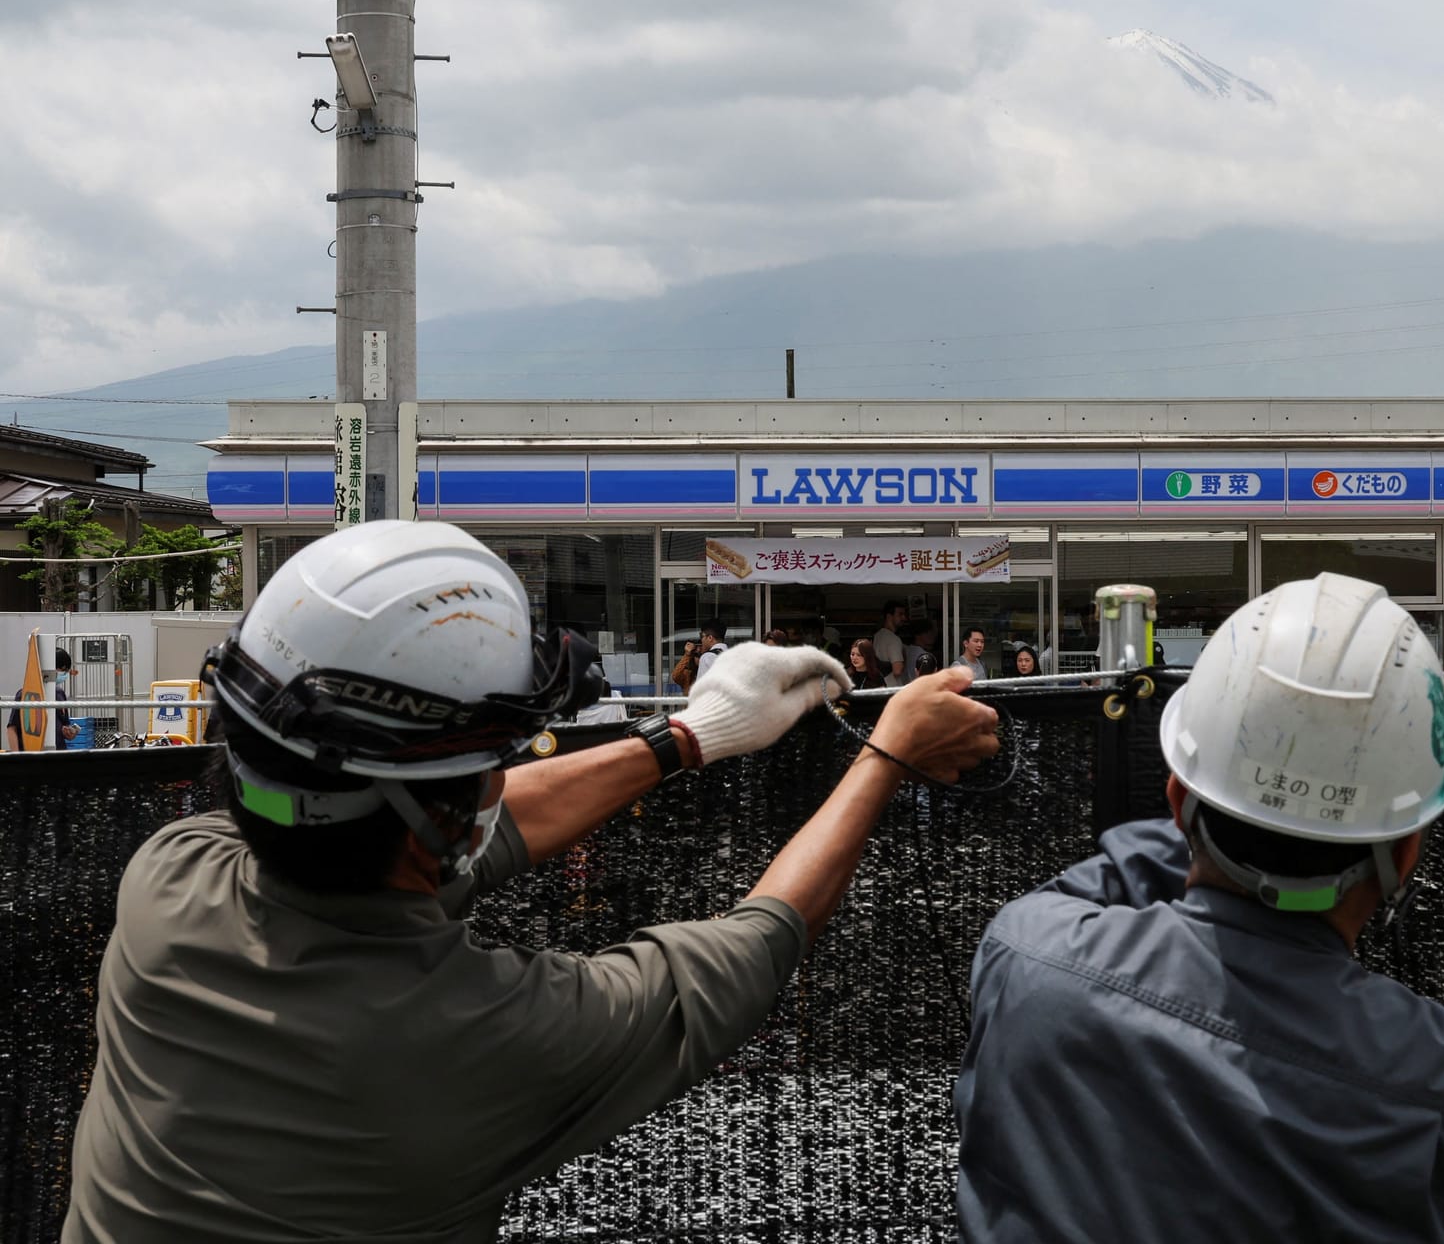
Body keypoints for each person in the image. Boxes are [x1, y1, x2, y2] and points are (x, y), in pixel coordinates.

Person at [63, 520, 1001, 1243]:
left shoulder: (171, 878)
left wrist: (693, 735)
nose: (500, 785)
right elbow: (756, 941)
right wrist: (888, 754)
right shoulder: (476, 1038)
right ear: (439, 815)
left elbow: (457, 823)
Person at [954, 573, 1444, 1240]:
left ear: (1178, 799)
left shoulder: (1026, 958)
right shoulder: (1435, 1083)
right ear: (1408, 854)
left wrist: (1235, 787)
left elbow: (1116, 870)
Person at [6, 645, 76, 752]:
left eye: (66, 671)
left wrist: (68, 733)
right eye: (62, 670)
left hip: (58, 753)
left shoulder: (59, 694)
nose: (64, 674)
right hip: (32, 753)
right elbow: (12, 728)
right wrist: (17, 757)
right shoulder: (26, 694)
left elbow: (64, 724)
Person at [873, 600, 908, 685]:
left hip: (881, 687)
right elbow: (897, 670)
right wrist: (905, 656)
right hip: (892, 688)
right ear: (889, 616)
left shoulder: (877, 636)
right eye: (900, 614)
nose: (904, 618)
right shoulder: (894, 639)